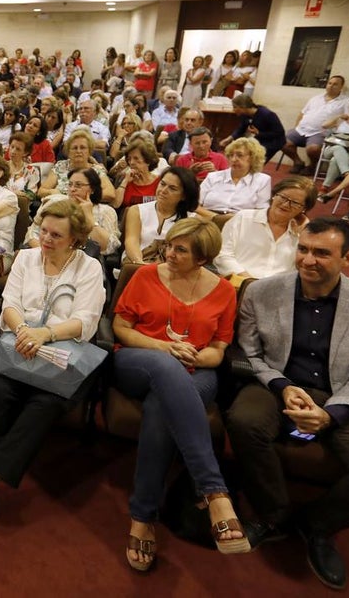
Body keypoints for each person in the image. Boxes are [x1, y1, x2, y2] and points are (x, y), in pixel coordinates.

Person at [227, 217, 349, 590]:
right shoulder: (262, 291)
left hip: (341, 393)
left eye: (321, 253)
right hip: (276, 385)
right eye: (303, 249)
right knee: (244, 421)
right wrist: (281, 385)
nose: (307, 260)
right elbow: (250, 354)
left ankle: (316, 525)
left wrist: (332, 415)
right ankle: (273, 515)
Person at [113, 218, 250, 571]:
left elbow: (219, 349)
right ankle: (215, 491)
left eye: (180, 250)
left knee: (162, 405)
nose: (168, 253)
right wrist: (166, 348)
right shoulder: (145, 275)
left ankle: (142, 517)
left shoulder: (224, 291)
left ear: (203, 259)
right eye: (169, 245)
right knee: (166, 368)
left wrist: (198, 355)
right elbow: (121, 328)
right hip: (139, 361)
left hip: (198, 372)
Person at [0, 200, 105, 518]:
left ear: (75, 240)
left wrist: (45, 335)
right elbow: (9, 303)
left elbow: (86, 321)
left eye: (56, 235)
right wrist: (24, 330)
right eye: (43, 231)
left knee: (46, 403)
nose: (46, 240)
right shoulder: (26, 258)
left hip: (60, 352)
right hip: (17, 343)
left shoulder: (89, 267)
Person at [216, 176, 316, 280]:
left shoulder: (302, 233)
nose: (286, 204)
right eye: (283, 197)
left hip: (280, 289)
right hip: (238, 283)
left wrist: (306, 233)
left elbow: (302, 268)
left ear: (304, 209)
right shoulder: (243, 218)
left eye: (295, 203)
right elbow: (222, 255)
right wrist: (248, 281)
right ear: (274, 195)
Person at [122, 167, 198, 266]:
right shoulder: (136, 210)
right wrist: (140, 264)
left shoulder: (191, 220)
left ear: (184, 196)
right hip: (136, 263)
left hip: (172, 268)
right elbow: (131, 241)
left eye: (172, 188)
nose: (163, 190)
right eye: (162, 184)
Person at [281, 76, 349, 174]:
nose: (331, 86)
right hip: (301, 130)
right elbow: (302, 113)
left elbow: (348, 119)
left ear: (341, 87)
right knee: (281, 141)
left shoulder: (346, 102)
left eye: (335, 84)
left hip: (321, 132)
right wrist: (297, 126)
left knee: (313, 149)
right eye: (329, 83)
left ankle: (312, 166)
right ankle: (298, 162)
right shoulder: (315, 98)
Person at [195, 137, 271, 224]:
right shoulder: (213, 177)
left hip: (241, 223)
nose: (234, 159)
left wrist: (233, 219)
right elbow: (195, 205)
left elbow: (261, 212)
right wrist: (217, 218)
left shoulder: (262, 180)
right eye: (231, 155)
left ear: (253, 157)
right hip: (208, 220)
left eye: (239, 155)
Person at [220, 95, 286, 165]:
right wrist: (229, 139)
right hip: (260, 139)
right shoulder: (245, 115)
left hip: (273, 141)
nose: (233, 110)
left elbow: (279, 132)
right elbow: (241, 129)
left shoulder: (267, 114)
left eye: (235, 107)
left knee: (254, 161)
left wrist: (259, 133)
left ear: (243, 107)